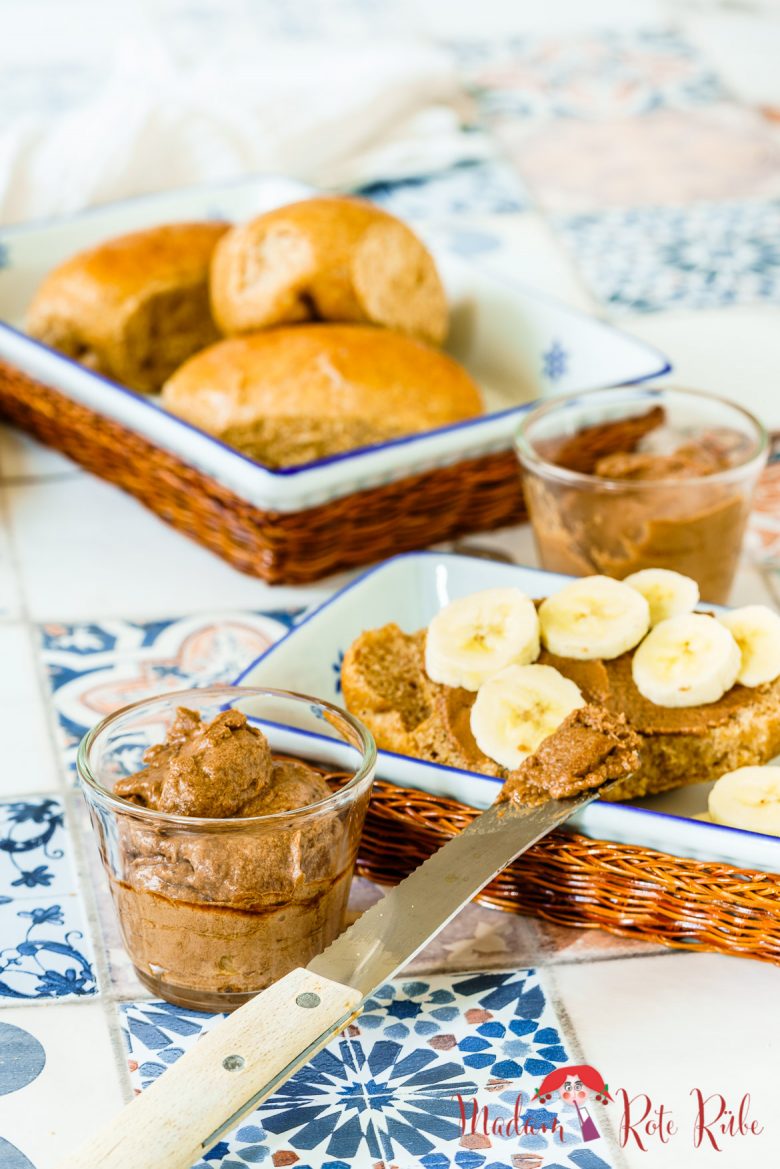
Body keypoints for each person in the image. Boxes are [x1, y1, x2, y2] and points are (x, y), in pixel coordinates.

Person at [532, 1065, 611, 1142]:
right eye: (568, 1088)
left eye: (578, 1087)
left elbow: (593, 1138)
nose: (573, 1093)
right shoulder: (559, 1108)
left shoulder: (589, 1110)